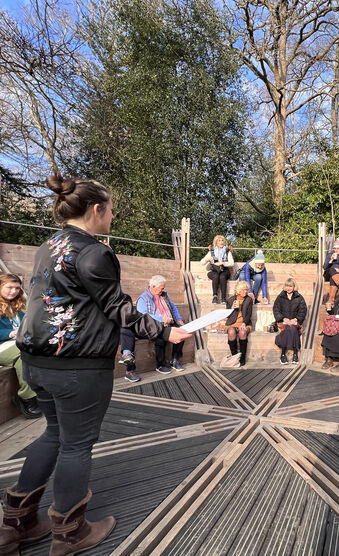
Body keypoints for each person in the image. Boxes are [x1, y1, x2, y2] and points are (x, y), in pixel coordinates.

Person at [0, 174, 191, 555]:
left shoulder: (47, 246)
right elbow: (118, 307)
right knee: (75, 445)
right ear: (96, 209)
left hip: (37, 361)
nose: (112, 218)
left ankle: (15, 525)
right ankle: (69, 534)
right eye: (111, 211)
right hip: (77, 365)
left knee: (53, 434)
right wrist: (164, 333)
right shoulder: (94, 251)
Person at [119, 275, 186, 382]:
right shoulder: (143, 298)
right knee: (159, 336)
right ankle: (159, 364)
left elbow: (173, 307)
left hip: (167, 323)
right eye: (161, 288)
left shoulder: (164, 295)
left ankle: (175, 360)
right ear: (153, 286)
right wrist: (161, 319)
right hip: (153, 326)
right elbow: (143, 316)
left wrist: (178, 319)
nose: (163, 290)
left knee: (181, 331)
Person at [0, 274, 41, 419]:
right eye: (9, 287)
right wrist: (10, 333)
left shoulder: (18, 304)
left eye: (17, 288)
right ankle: (27, 397)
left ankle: (42, 391)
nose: (13, 291)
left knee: (40, 348)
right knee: (23, 352)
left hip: (18, 341)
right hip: (3, 345)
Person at [273, 277, 307, 365]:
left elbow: (303, 310)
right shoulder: (280, 297)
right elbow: (276, 309)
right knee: (288, 328)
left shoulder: (299, 298)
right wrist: (283, 319)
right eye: (287, 286)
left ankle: (289, 354)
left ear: (294, 287)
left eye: (290, 286)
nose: (288, 288)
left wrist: (296, 319)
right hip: (283, 321)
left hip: (295, 322)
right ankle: (288, 354)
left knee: (292, 328)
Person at [225, 280, 253, 366]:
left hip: (245, 323)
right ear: (238, 290)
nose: (245, 291)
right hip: (232, 323)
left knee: (242, 332)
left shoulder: (249, 300)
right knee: (231, 332)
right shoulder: (230, 300)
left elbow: (249, 314)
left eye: (246, 290)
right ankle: (234, 355)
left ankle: (242, 356)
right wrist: (231, 308)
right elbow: (227, 315)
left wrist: (244, 323)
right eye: (243, 290)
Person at [199, 235, 234, 304]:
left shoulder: (227, 252)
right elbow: (202, 262)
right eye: (219, 241)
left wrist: (222, 263)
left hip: (224, 270)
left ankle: (223, 298)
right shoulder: (212, 252)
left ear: (224, 242)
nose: (221, 242)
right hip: (214, 270)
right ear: (216, 243)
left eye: (222, 240)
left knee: (222, 277)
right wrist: (207, 259)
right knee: (216, 276)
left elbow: (232, 263)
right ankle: (215, 296)